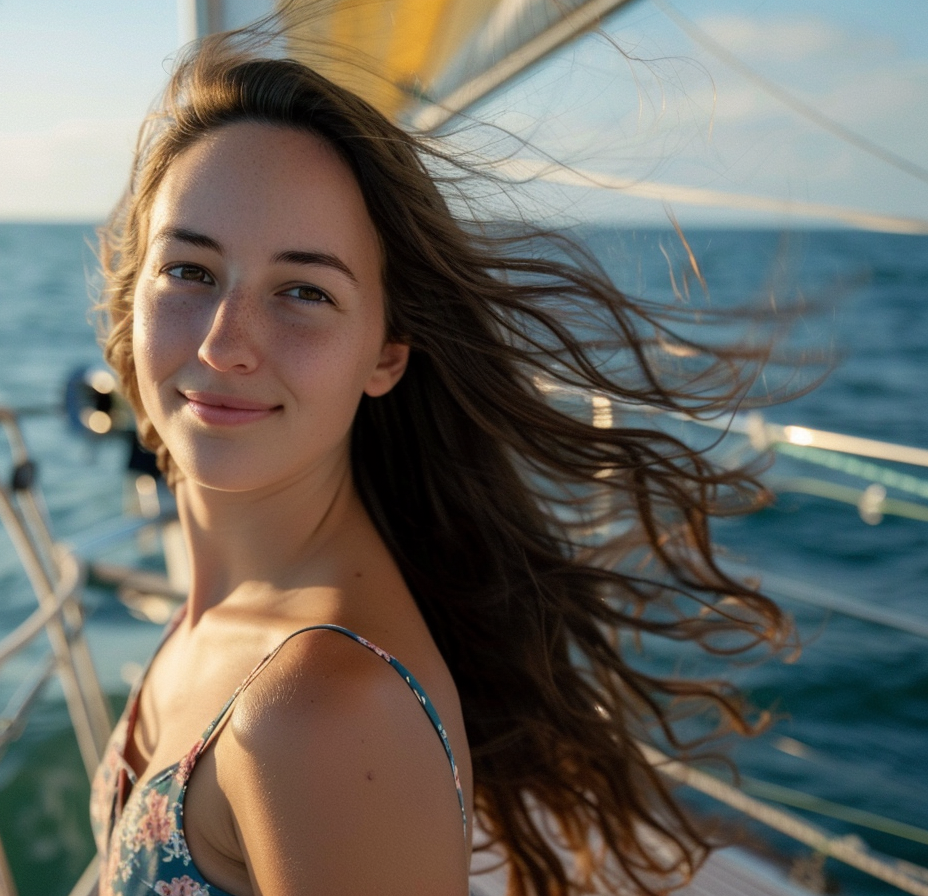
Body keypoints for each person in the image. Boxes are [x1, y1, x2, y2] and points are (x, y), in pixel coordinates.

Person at [88, 29, 790, 896]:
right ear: (133, 294)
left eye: (304, 290)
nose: (224, 342)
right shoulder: (241, 618)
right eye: (190, 270)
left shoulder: (321, 712)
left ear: (386, 354)